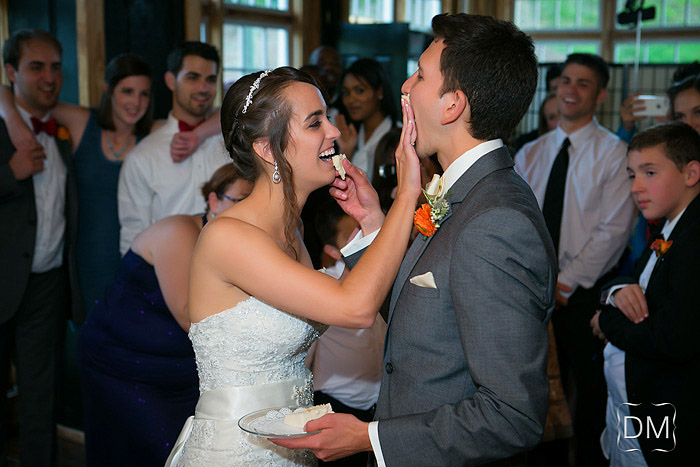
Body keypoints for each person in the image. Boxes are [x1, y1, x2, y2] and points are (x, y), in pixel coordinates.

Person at [276, 13, 556, 466]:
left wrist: (370, 437)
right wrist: (373, 222)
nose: (405, 87)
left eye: (420, 75)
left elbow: (513, 415)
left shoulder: (497, 220)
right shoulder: (464, 192)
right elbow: (427, 319)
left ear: (452, 106)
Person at [164, 65, 421, 466]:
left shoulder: (293, 230)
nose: (334, 131)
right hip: (236, 453)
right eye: (315, 123)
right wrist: (406, 195)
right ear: (267, 149)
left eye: (328, 117)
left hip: (291, 446)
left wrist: (372, 220)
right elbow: (354, 307)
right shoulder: (229, 237)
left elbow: (350, 296)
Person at [0, 54, 220, 315]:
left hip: (139, 251)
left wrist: (198, 135)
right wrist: (12, 119)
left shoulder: (155, 132)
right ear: (109, 90)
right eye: (127, 91)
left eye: (144, 94)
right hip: (91, 253)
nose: (136, 102)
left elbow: (226, 112)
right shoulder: (83, 123)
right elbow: (21, 97)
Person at [78, 163, 253, 467]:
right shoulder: (178, 233)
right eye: (240, 201)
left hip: (183, 373)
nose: (249, 213)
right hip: (122, 365)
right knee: (159, 453)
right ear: (213, 200)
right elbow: (190, 317)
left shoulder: (248, 245)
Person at [515, 53, 637, 466]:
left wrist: (564, 282)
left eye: (583, 83)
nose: (571, 89)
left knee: (588, 392)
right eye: (566, 80)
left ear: (601, 95)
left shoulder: (615, 153)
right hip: (531, 291)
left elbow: (614, 230)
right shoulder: (530, 152)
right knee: (534, 390)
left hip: (584, 294)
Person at [591, 122, 700, 466]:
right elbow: (635, 279)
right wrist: (614, 293)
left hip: (667, 418)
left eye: (650, 172)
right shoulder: (669, 226)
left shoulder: (694, 238)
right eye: (631, 174)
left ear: (691, 173)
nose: (636, 187)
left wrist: (607, 323)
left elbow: (673, 338)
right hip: (634, 414)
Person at [0, 29, 79, 466]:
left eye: (55, 67)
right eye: (36, 67)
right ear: (12, 72)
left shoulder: (65, 130)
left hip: (47, 286)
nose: (49, 77)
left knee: (41, 400)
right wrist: (9, 173)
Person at [118, 41, 229, 255]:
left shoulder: (234, 142)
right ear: (171, 81)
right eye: (192, 78)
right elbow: (133, 238)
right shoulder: (143, 156)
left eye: (210, 79)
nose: (203, 88)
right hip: (167, 269)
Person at [308, 198, 386, 467]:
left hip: (380, 403)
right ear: (332, 250)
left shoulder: (386, 274)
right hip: (337, 401)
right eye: (352, 235)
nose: (363, 238)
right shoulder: (325, 285)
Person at [335, 58, 398, 182]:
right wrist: (346, 153)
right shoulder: (350, 136)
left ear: (379, 92)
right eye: (346, 93)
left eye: (359, 91)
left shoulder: (399, 137)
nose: (351, 100)